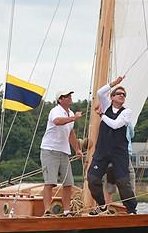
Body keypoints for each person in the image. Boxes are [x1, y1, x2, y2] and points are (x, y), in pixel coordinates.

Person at [87, 76, 137, 214]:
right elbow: (99, 93)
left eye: (124, 95)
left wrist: (101, 115)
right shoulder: (105, 104)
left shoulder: (127, 112)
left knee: (123, 182)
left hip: (119, 152)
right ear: (112, 97)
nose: (122, 96)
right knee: (92, 178)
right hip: (102, 150)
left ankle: (131, 209)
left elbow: (116, 125)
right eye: (119, 94)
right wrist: (114, 83)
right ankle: (102, 204)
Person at [40, 90, 83, 216]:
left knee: (68, 183)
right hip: (50, 150)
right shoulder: (55, 111)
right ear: (60, 99)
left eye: (70, 96)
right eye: (67, 96)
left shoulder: (69, 113)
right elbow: (57, 121)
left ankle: (66, 211)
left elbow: (70, 133)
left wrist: (77, 149)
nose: (70, 98)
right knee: (50, 182)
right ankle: (47, 210)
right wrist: (73, 118)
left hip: (64, 152)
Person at [104, 122, 136, 203]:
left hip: (109, 155)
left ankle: (104, 207)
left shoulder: (107, 120)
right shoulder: (127, 121)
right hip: (123, 155)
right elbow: (132, 135)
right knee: (129, 180)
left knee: (110, 182)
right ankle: (130, 208)